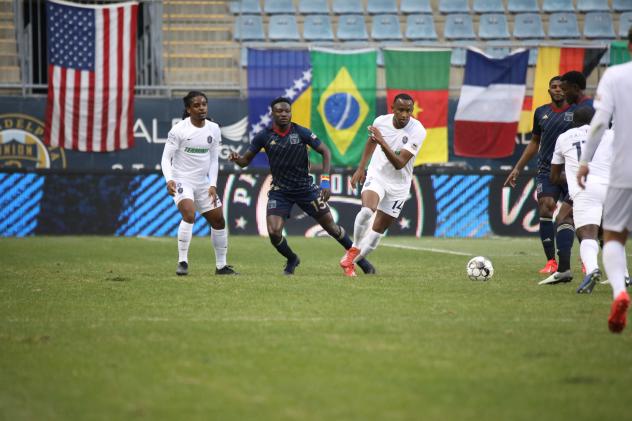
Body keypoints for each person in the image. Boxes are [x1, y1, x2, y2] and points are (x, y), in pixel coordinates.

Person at [229, 97, 375, 276]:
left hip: (305, 189)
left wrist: (325, 180)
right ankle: (292, 258)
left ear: (290, 112)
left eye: (287, 111)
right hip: (280, 191)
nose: (283, 114)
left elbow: (325, 151)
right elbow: (245, 162)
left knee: (332, 228)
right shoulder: (264, 136)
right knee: (274, 233)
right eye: (279, 111)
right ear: (272, 113)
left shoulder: (301, 132)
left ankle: (360, 261)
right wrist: (237, 159)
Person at [505, 72, 593, 280]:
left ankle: (584, 260)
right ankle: (551, 262)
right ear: (549, 90)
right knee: (545, 205)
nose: (558, 89)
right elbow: (535, 142)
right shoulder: (541, 112)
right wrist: (518, 167)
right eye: (553, 86)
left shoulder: (578, 112)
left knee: (575, 215)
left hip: (571, 170)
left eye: (561, 86)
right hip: (547, 170)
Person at [577, 28, 632, 333]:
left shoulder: (615, 75)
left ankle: (619, 293)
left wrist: (585, 162)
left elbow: (599, 123)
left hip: (623, 169)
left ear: (629, 45)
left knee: (613, 238)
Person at [339, 93, 426, 277]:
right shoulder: (381, 122)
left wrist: (382, 141)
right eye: (401, 110)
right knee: (366, 211)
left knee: (377, 233)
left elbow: (399, 163)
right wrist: (361, 168)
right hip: (377, 175)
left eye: (408, 111)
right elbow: (371, 141)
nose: (404, 114)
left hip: (399, 185)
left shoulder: (418, 131)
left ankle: (350, 263)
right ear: (392, 108)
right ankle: (354, 249)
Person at [161, 91, 237, 276]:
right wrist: (169, 179)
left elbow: (213, 160)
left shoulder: (213, 129)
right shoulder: (179, 130)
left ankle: (221, 266)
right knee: (189, 214)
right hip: (182, 180)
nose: (201, 108)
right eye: (196, 105)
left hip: (202, 183)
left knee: (218, 221)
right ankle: (183, 262)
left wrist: (213, 185)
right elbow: (165, 158)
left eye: (204, 104)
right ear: (188, 109)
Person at [547, 107, 613, 290]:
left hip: (584, 187)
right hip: (611, 187)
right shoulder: (608, 134)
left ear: (573, 122)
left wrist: (571, 177)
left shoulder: (565, 137)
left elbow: (553, 176)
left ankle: (588, 270)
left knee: (586, 233)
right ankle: (622, 275)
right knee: (610, 232)